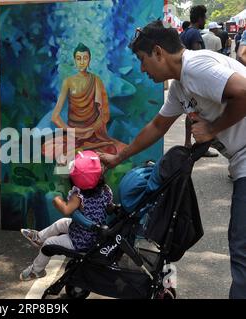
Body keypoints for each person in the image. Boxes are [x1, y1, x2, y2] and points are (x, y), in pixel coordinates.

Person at [101, 21, 246, 299]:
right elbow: (157, 126)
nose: (142, 69)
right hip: (240, 160)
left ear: (158, 52)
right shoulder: (181, 85)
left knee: (241, 249)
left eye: (143, 61)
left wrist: (213, 129)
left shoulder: (195, 67)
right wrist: (118, 157)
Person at [19, 150, 113, 281]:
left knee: (49, 244)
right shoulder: (106, 190)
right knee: (62, 223)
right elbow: (108, 207)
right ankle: (38, 237)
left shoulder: (78, 196)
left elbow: (66, 210)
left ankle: (36, 271)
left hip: (80, 241)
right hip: (93, 234)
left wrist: (57, 201)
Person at [43, 43, 126, 161]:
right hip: (73, 134)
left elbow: (103, 115)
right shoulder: (68, 82)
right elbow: (55, 117)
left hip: (93, 134)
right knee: (50, 148)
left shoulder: (96, 80)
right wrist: (72, 130)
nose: (82, 62)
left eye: (85, 58)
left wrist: (91, 130)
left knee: (115, 148)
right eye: (78, 58)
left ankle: (85, 149)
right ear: (75, 60)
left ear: (89, 60)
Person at [180, 5, 218, 157]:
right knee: (200, 114)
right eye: (204, 17)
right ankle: (201, 146)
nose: (205, 20)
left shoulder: (184, 33)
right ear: (200, 18)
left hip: (185, 79)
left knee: (191, 112)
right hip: (195, 80)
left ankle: (188, 142)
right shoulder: (195, 33)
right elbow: (197, 57)